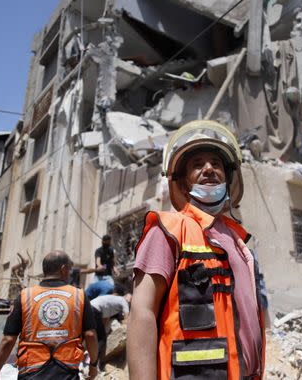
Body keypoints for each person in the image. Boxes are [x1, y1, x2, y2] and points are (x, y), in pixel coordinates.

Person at [127, 120, 266, 380]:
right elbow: (142, 313)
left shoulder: (237, 240)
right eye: (197, 164)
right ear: (181, 182)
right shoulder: (168, 229)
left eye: (216, 163)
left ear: (229, 176)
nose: (209, 169)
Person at [0, 250, 98, 380]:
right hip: (66, 373)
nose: (70, 274)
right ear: (63, 269)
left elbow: (8, 340)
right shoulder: (79, 296)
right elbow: (90, 335)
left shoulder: (25, 296)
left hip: (31, 372)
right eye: (70, 270)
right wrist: (93, 365)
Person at [89, 284, 131, 367]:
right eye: (130, 297)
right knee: (101, 339)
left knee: (92, 335)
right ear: (125, 295)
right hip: (95, 310)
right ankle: (95, 364)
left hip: (90, 308)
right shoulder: (122, 300)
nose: (130, 300)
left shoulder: (111, 300)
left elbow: (104, 319)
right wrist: (126, 327)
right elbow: (127, 314)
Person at [80, 235, 116, 299]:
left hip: (108, 275)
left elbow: (112, 262)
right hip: (98, 276)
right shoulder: (99, 250)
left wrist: (115, 269)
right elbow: (98, 260)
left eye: (109, 242)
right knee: (91, 288)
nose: (108, 244)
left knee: (112, 288)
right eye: (106, 242)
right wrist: (99, 266)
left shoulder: (111, 251)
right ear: (103, 241)